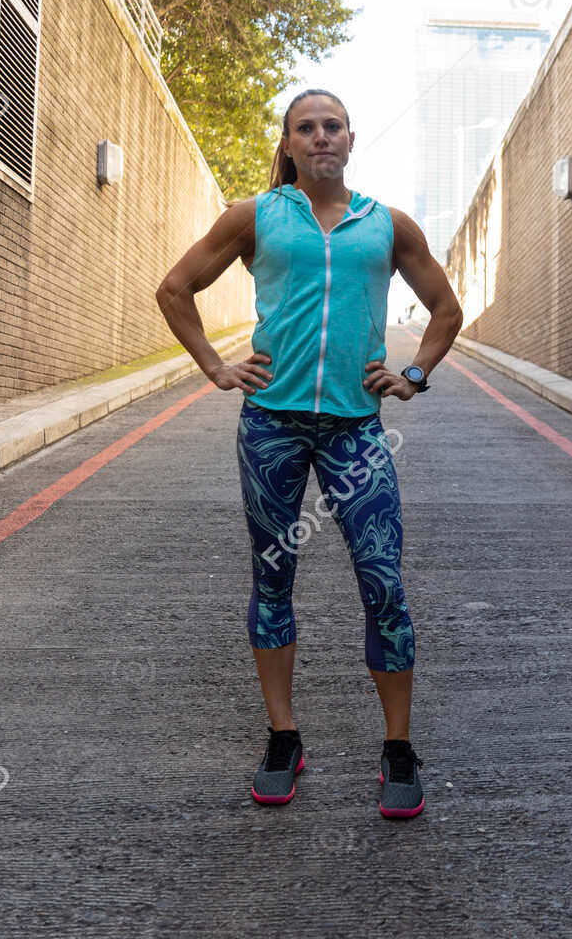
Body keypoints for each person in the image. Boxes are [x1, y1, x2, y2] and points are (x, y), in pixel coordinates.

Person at [155, 88, 463, 819]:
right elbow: (175, 289)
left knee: (384, 584)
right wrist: (214, 366)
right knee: (272, 580)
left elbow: (447, 310)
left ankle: (397, 749)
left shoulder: (387, 226)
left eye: (333, 127)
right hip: (271, 426)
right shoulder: (255, 218)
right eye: (306, 128)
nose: (321, 137)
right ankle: (283, 737)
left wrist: (413, 373)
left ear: (352, 141)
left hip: (358, 430)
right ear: (288, 144)